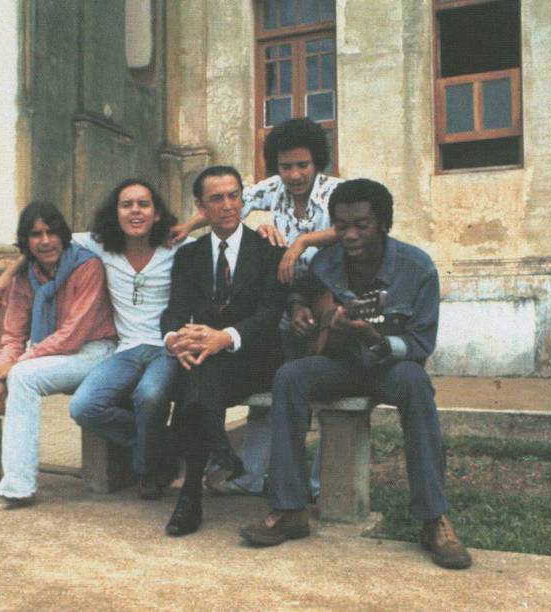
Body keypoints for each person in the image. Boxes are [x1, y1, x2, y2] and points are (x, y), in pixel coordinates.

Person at [239, 179, 472, 570]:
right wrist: (300, 309)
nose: (349, 234)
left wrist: (374, 336)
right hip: (339, 364)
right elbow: (302, 288)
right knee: (290, 376)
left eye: (360, 225)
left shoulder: (417, 268)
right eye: (341, 225)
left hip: (390, 367)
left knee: (417, 383)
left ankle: (434, 519)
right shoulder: (325, 261)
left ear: (383, 224)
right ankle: (289, 508)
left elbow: (420, 343)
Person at [178, 118, 344, 497]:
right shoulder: (272, 190)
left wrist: (300, 242)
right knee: (273, 395)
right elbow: (231, 204)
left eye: (303, 165)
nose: (295, 174)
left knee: (327, 400)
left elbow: (352, 226)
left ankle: (320, 484)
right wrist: (187, 227)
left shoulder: (337, 192)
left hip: (330, 301)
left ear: (317, 162)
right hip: (289, 303)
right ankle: (250, 475)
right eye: (286, 166)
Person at [0, 179, 186, 501]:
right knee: (84, 406)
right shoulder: (100, 245)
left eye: (144, 204)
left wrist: (194, 223)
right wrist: (7, 275)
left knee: (150, 396)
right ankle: (163, 447)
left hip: (165, 345)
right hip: (124, 349)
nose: (135, 211)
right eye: (127, 204)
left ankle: (149, 471)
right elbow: (41, 243)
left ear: (157, 213)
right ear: (116, 213)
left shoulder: (178, 245)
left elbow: (221, 231)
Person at [0, 202, 118, 511]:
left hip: (94, 350)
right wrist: (2, 368)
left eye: (51, 233)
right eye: (36, 235)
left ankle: (17, 487)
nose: (45, 241)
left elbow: (73, 334)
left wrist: (12, 368)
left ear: (63, 235)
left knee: (22, 377)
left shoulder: (87, 266)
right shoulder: (26, 276)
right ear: (26, 241)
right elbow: (13, 334)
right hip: (49, 350)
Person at [160, 165, 287, 536]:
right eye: (217, 198)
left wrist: (225, 337)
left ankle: (194, 486)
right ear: (201, 207)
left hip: (257, 358)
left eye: (234, 196)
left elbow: (268, 316)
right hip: (209, 361)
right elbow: (174, 311)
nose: (229, 205)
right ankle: (208, 470)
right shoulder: (189, 256)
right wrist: (174, 341)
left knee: (195, 384)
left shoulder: (267, 249)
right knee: (198, 372)